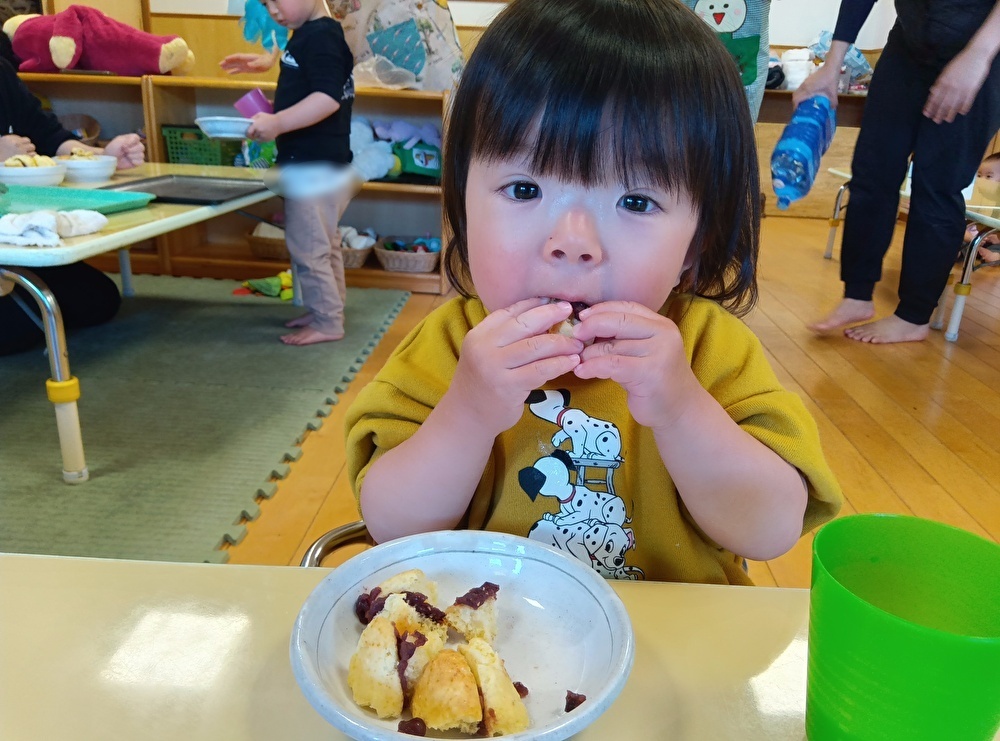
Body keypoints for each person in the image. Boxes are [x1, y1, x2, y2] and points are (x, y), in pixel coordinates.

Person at [344, 0, 843, 585]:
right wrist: (469, 412)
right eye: (524, 188)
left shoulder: (709, 351)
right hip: (495, 653)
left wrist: (682, 408)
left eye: (635, 201)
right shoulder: (454, 348)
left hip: (675, 655)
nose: (573, 242)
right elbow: (391, 525)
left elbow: (769, 530)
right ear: (462, 206)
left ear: (695, 243)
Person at [801, 0, 1000, 343]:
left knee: (937, 185)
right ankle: (857, 295)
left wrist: (978, 56)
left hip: (981, 51)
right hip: (908, 47)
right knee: (871, 170)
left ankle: (914, 316)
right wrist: (831, 67)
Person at [221, 0, 355, 346]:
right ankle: (328, 308)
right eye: (265, 4)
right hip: (323, 164)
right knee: (325, 244)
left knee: (309, 249)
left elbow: (328, 97)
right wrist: (269, 62)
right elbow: (312, 76)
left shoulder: (322, 36)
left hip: (313, 167)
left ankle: (329, 322)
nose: (272, 11)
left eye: (275, 0)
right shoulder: (309, 33)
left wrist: (278, 122)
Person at [0, 56, 145, 356]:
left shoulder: (2, 72)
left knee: (99, 301)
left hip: (13, 231)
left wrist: (103, 155)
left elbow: (51, 137)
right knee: (23, 328)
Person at [963, 152, 1000, 265]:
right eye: (978, 175)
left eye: (988, 176)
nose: (981, 180)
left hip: (991, 244)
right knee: (958, 241)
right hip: (973, 239)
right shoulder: (972, 196)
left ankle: (995, 256)